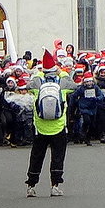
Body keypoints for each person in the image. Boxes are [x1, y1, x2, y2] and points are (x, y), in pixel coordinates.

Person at [26, 51, 73, 197]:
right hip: (58, 127)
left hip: (40, 127)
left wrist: (40, 73)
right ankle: (55, 186)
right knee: (58, 156)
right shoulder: (62, 82)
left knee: (36, 156)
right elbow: (74, 85)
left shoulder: (37, 83)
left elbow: (28, 85)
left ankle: (31, 186)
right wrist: (62, 72)